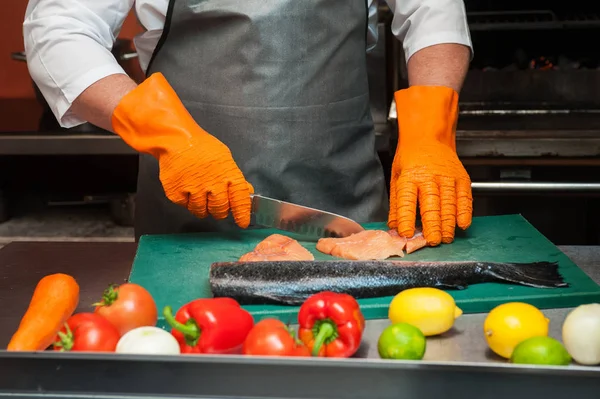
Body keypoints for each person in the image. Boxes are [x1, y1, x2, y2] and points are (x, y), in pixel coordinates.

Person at [23, 0, 473, 244]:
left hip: (346, 217)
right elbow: (60, 30)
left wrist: (430, 133)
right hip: (189, 224)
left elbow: (434, 12)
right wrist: (170, 138)